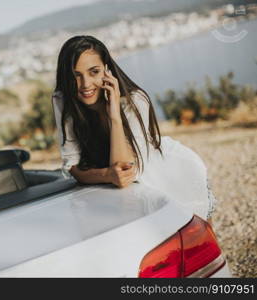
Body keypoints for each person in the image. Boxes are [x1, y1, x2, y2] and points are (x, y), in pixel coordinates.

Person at [52, 35, 216, 221]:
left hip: (168, 173)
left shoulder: (135, 101)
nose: (85, 84)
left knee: (199, 237)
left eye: (94, 72)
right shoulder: (62, 100)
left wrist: (114, 114)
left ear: (107, 70)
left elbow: (125, 174)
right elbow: (73, 167)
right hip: (117, 188)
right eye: (76, 76)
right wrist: (107, 175)